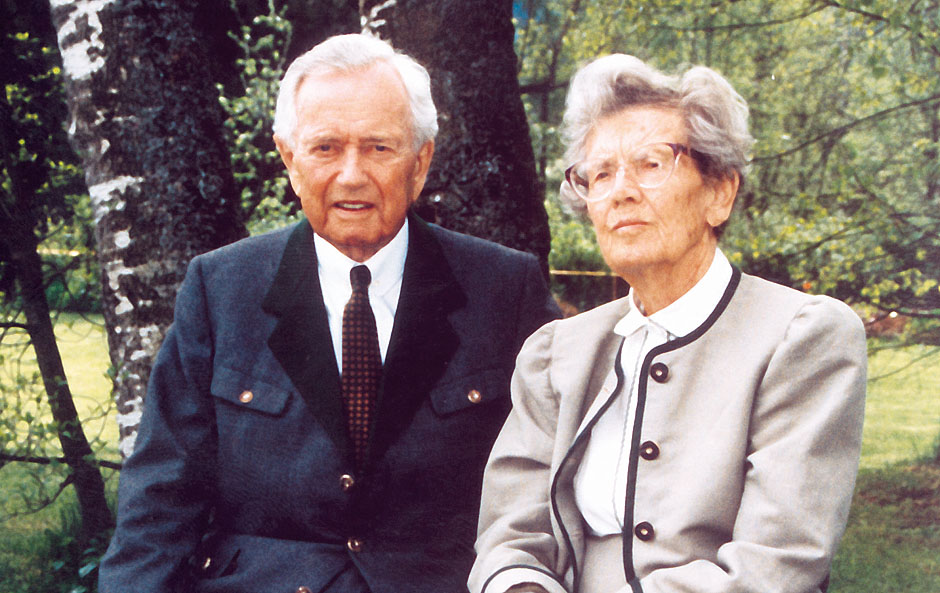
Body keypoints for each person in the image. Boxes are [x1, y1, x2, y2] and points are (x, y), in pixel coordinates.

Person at [98, 33, 560, 593]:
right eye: (325, 148)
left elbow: (549, 488)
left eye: (378, 148)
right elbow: (160, 505)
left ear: (421, 162)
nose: (351, 174)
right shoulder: (221, 290)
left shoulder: (503, 289)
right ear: (289, 160)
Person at [469, 54, 867, 593]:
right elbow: (511, 534)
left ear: (719, 192)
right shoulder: (555, 353)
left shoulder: (801, 337)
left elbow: (775, 563)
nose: (619, 191)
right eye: (600, 173)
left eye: (652, 163)